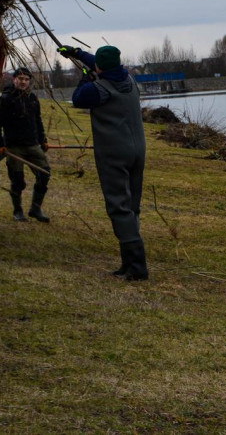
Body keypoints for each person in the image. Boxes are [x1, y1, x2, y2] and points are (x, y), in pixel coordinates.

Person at [62, 44, 148, 281]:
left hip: (114, 153)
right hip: (137, 151)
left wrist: (83, 78)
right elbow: (101, 65)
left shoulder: (98, 89)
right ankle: (128, 263)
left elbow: (78, 98)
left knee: (118, 206)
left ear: (99, 67)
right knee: (132, 205)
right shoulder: (129, 80)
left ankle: (137, 267)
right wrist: (77, 54)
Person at [0, 67, 51, 223]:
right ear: (14, 79)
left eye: (26, 79)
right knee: (18, 181)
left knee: (44, 174)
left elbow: (37, 121)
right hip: (14, 147)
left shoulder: (32, 98)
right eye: (20, 78)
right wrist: (0, 144)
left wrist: (42, 139)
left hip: (32, 145)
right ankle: (17, 211)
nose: (23, 82)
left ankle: (35, 209)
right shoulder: (5, 99)